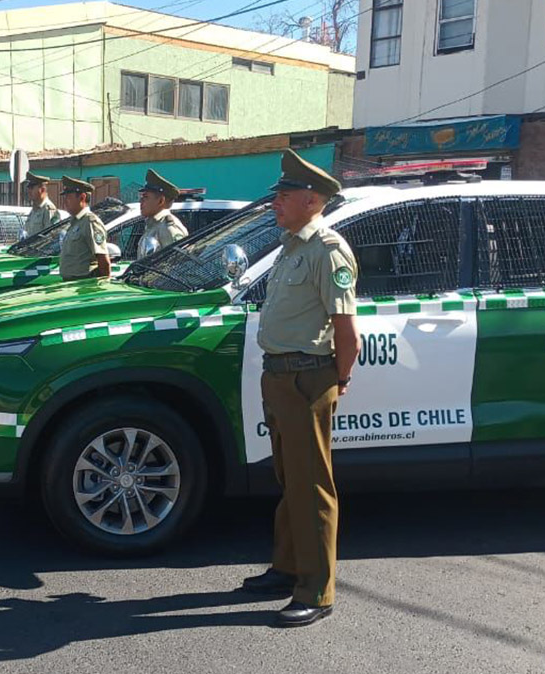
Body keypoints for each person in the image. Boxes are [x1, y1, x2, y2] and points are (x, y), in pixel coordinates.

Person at [240, 150, 358, 628]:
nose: (276, 203)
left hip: (307, 377)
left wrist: (340, 379)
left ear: (313, 199)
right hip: (280, 375)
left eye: (285, 196)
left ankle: (317, 590)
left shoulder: (329, 250)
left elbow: (347, 331)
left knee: (312, 486)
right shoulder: (293, 247)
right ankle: (288, 568)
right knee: (290, 479)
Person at [57, 176, 110, 281]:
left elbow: (103, 262)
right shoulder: (75, 222)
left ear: (82, 197)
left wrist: (102, 288)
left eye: (68, 197)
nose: (65, 201)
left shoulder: (90, 222)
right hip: (70, 283)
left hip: (83, 284)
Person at [137, 169, 188, 258]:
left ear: (161, 200)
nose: (141, 201)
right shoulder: (153, 224)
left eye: (145, 197)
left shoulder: (168, 228)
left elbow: (178, 264)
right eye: (141, 197)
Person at [23, 171, 60, 237]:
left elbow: (49, 238)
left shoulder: (48, 209)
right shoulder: (34, 210)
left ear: (42, 190)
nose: (29, 191)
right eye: (28, 188)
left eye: (32, 188)